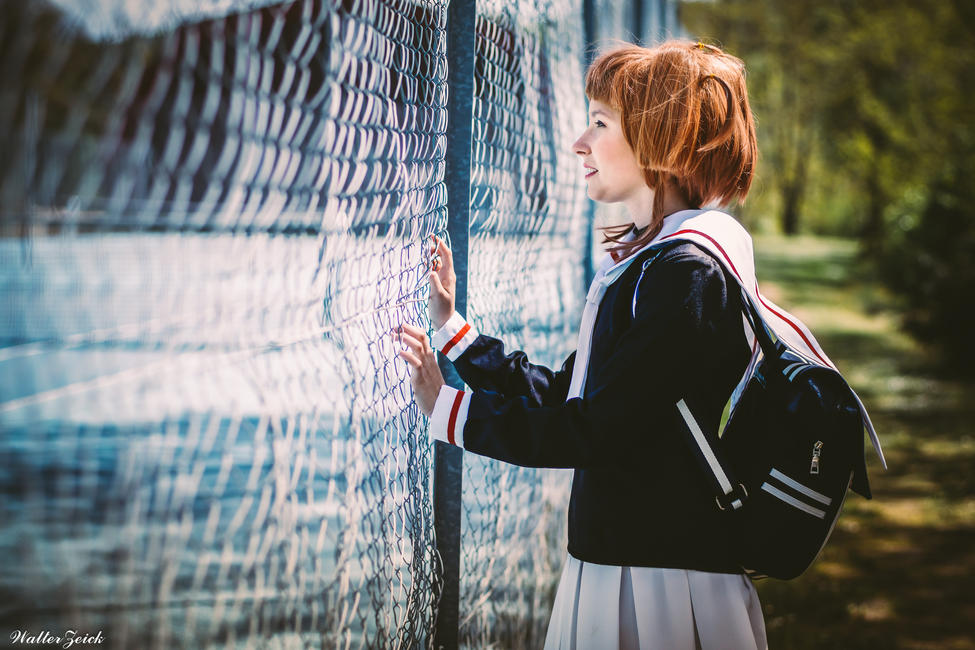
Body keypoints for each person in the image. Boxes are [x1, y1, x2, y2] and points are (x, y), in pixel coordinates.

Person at [394, 39, 767, 649]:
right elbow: (577, 392)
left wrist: (451, 413)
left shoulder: (687, 274)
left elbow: (592, 431)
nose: (579, 142)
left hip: (662, 589)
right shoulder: (660, 263)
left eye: (599, 123)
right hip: (631, 564)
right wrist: (456, 336)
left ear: (663, 141)